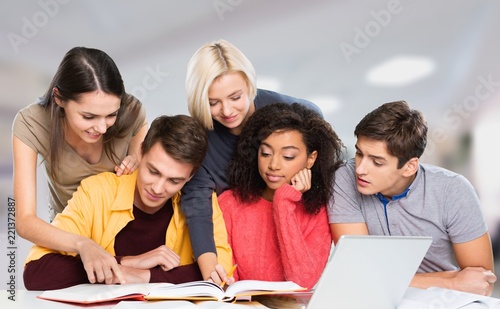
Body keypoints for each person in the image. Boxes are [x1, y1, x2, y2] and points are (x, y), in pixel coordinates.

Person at [23, 115, 233, 290]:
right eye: (153, 171)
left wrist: (143, 276)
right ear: (140, 152)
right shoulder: (97, 191)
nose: (158, 189)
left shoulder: (201, 202)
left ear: (190, 176)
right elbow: (36, 273)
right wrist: (125, 263)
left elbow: (218, 274)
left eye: (174, 180)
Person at [182, 39, 323, 281]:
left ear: (249, 84)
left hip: (292, 229)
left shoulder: (287, 110)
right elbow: (197, 208)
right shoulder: (201, 141)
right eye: (213, 103)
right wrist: (210, 267)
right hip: (240, 244)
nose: (227, 111)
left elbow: (315, 127)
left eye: (235, 97)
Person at [328, 100, 497, 296]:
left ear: (409, 167)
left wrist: (385, 280)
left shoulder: (454, 190)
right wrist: (452, 282)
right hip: (376, 298)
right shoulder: (343, 177)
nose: (360, 169)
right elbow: (359, 271)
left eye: (377, 162)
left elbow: (482, 283)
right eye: (359, 153)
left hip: (442, 301)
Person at [12, 46, 148, 285]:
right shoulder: (31, 123)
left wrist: (137, 157)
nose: (103, 128)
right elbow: (24, 220)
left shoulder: (131, 112)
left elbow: (143, 145)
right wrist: (83, 245)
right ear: (59, 98)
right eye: (89, 117)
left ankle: (123, 263)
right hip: (71, 239)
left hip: (124, 233)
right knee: (39, 276)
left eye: (111, 115)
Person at [218, 103, 343, 289]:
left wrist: (284, 202)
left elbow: (302, 282)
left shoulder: (318, 211)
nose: (273, 164)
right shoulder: (230, 203)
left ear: (311, 159)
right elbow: (228, 283)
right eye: (266, 153)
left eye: (288, 156)